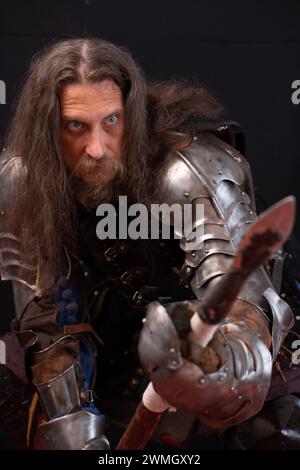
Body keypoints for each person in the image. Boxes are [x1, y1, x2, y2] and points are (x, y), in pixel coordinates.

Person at [0, 37, 299, 450]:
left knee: (278, 433)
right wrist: (75, 429)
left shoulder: (184, 171)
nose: (96, 148)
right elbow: (48, 321)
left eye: (111, 121)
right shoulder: (25, 183)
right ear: (47, 127)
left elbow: (244, 307)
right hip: (115, 336)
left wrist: (214, 366)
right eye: (75, 125)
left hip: (215, 341)